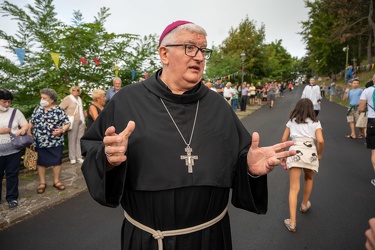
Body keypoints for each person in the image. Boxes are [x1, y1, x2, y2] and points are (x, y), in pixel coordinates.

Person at [81, 20, 296, 250]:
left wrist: (249, 169)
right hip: (150, 241)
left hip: (211, 240)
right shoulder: (126, 101)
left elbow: (238, 157)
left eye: (203, 50)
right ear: (164, 54)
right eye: (190, 48)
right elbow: (92, 148)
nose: (200, 57)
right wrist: (107, 158)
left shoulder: (218, 106)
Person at [281, 98, 324, 232]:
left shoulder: (292, 122)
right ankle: (305, 204)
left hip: (295, 151)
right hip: (310, 152)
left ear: (297, 108)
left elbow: (283, 140)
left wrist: (283, 155)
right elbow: (321, 141)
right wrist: (319, 154)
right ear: (311, 109)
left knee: (294, 188)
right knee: (309, 178)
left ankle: (292, 222)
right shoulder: (316, 122)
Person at [28, 88, 70, 194]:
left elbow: (67, 123)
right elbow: (31, 121)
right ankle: (42, 183)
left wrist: (62, 130)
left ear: (51, 100)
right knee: (41, 162)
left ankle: (56, 181)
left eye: (44, 98)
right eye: (41, 97)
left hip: (55, 141)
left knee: (57, 161)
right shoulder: (38, 109)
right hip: (40, 140)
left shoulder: (59, 110)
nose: (41, 100)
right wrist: (29, 130)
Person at [0, 89, 29, 209]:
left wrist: (23, 130)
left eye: (9, 102)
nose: (7, 104)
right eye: (4, 102)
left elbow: (25, 124)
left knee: (12, 175)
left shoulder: (15, 112)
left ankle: (12, 198)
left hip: (14, 150)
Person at [60, 86, 86, 164]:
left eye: (77, 90)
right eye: (74, 90)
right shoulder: (68, 98)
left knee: (79, 138)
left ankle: (79, 156)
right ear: (71, 91)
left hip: (81, 120)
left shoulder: (79, 99)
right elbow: (60, 108)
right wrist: (66, 117)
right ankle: (72, 157)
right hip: (72, 120)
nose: (76, 91)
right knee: (72, 138)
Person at [358, 74, 375, 187]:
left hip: (373, 121)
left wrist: (361, 112)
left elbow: (361, 108)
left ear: (373, 80)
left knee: (374, 151)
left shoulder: (367, 91)